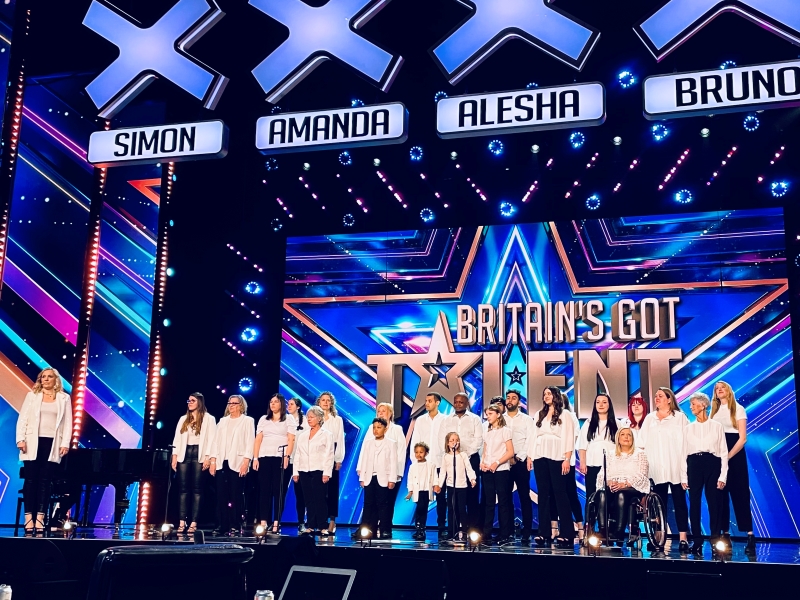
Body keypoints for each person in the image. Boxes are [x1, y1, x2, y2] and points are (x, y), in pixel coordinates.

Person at [16, 368, 72, 535]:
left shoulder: (64, 398)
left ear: (56, 379)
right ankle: (28, 518)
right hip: (32, 442)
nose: (46, 379)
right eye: (43, 377)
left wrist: (65, 443)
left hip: (52, 443)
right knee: (31, 480)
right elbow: (23, 418)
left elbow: (67, 423)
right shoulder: (32, 396)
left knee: (45, 481)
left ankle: (40, 517)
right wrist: (20, 439)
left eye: (49, 377)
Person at [639, 387, 690, 552]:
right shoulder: (649, 419)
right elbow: (641, 444)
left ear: (669, 399)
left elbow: (688, 442)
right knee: (657, 505)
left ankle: (683, 538)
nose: (657, 398)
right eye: (655, 396)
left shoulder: (680, 418)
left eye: (660, 396)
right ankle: (659, 539)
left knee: (680, 503)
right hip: (655, 468)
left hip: (675, 467)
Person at [526, 386, 576, 548]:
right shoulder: (538, 415)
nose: (546, 396)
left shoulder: (565, 414)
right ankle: (543, 531)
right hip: (540, 457)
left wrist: (567, 458)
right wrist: (530, 456)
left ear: (556, 396)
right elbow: (533, 437)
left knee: (560, 494)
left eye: (549, 393)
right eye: (544, 393)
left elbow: (568, 437)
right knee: (543, 494)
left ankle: (567, 532)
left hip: (558, 457)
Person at [710, 381, 755, 553]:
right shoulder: (713, 412)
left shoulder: (738, 408)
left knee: (740, 494)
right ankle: (725, 534)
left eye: (722, 387)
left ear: (729, 390)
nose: (719, 390)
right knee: (720, 496)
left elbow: (742, 438)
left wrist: (727, 457)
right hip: (718, 453)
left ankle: (750, 535)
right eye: (716, 388)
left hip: (734, 454)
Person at [683, 392, 728, 555]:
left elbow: (723, 452)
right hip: (694, 464)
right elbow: (683, 453)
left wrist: (723, 475)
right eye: (691, 404)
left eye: (694, 404)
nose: (691, 407)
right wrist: (683, 476)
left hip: (712, 463)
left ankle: (715, 538)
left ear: (703, 405)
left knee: (714, 502)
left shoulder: (716, 426)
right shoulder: (688, 428)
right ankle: (697, 540)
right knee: (694, 503)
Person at [594, 428, 650, 544]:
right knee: (602, 494)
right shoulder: (610, 454)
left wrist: (624, 484)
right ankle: (603, 530)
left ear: (632, 439)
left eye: (629, 435)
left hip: (632, 488)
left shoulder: (640, 454)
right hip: (613, 486)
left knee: (621, 494)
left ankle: (619, 532)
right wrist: (609, 482)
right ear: (618, 438)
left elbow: (642, 474)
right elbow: (602, 473)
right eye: (623, 435)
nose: (626, 437)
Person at [171, 392, 216, 535]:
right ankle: (182, 521)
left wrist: (209, 457)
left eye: (192, 400)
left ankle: (194, 522)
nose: (189, 402)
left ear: (199, 402)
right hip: (184, 454)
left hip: (199, 454)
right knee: (183, 489)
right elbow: (177, 439)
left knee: (197, 489)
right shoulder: (183, 419)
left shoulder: (209, 419)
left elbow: (212, 439)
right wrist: (174, 456)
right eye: (188, 400)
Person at [210, 394, 254, 535]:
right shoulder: (222, 421)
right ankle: (221, 525)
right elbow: (215, 442)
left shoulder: (247, 421)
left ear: (241, 405)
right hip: (222, 461)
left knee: (236, 494)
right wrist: (213, 460)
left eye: (234, 403)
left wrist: (246, 461)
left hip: (238, 461)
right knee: (221, 495)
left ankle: (235, 524)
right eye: (230, 403)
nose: (231, 405)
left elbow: (250, 441)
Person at [253, 393, 295, 534]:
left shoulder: (288, 419)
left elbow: (291, 439)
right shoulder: (263, 419)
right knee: (264, 490)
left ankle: (276, 523)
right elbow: (258, 439)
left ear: (281, 404)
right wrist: (255, 458)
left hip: (279, 457)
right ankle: (264, 522)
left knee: (278, 491)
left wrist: (287, 456)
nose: (273, 404)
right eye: (271, 402)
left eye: (276, 402)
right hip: (264, 457)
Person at [441, 392, 483, 528]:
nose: (458, 404)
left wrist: (464, 454)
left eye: (461, 402)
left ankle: (472, 529)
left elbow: (478, 439)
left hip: (471, 459)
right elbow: (442, 438)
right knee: (453, 497)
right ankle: (453, 528)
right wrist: (454, 454)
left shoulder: (475, 419)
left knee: (471, 496)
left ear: (467, 403)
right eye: (456, 402)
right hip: (452, 460)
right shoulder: (447, 420)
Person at [409, 393, 447, 538]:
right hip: (423, 465)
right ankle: (420, 528)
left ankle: (442, 527)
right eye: (426, 401)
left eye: (430, 401)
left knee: (441, 498)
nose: (427, 403)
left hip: (439, 464)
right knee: (422, 499)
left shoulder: (445, 420)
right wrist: (415, 462)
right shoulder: (420, 420)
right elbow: (415, 441)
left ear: (437, 402)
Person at [293, 406, 335, 536]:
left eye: (311, 417)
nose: (309, 419)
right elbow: (298, 454)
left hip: (319, 471)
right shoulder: (303, 435)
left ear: (319, 418)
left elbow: (329, 454)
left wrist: (327, 472)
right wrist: (295, 472)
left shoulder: (327, 434)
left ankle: (323, 526)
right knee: (308, 499)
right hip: (304, 470)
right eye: (308, 417)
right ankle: (311, 525)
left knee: (320, 499)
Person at [578, 393, 627, 503]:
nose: (601, 405)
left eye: (604, 402)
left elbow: (622, 446)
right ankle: (590, 519)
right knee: (592, 494)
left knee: (611, 494)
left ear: (609, 405)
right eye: (598, 402)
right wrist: (582, 463)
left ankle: (609, 519)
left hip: (612, 464)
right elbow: (582, 445)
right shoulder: (589, 423)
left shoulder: (617, 423)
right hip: (592, 463)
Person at [356, 418, 398, 539]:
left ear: (386, 428)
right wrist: (362, 478)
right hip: (369, 477)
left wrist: (392, 479)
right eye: (374, 427)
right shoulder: (368, 443)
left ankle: (385, 529)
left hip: (383, 478)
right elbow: (364, 460)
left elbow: (393, 462)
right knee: (368, 504)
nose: (376, 430)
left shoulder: (391, 443)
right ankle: (365, 529)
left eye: (379, 427)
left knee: (382, 505)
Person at [504, 389, 535, 543]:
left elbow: (530, 440)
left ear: (519, 401)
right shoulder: (500, 419)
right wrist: (507, 457)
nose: (510, 400)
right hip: (503, 464)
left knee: (524, 496)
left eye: (513, 398)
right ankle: (508, 531)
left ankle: (527, 530)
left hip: (521, 463)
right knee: (505, 497)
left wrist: (518, 457)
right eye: (508, 398)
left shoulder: (527, 419)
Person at [481, 403, 514, 545]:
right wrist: (482, 463)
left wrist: (497, 462)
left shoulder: (505, 431)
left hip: (501, 470)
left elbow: (510, 452)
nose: (487, 417)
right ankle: (486, 532)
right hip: (487, 470)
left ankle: (504, 533)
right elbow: (485, 450)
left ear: (498, 414)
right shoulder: (487, 432)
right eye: (487, 414)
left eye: (490, 414)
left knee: (503, 501)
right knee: (489, 502)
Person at [434, 432, 476, 540]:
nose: (454, 442)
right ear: (447, 443)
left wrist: (472, 478)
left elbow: (468, 468)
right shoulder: (446, 457)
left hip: (462, 486)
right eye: (452, 440)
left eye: (456, 440)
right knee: (451, 509)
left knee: (462, 509)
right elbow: (443, 472)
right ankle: (451, 532)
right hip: (450, 486)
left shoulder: (463, 455)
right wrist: (439, 484)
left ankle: (465, 532)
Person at [316, 392, 345, 535]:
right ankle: (318, 521)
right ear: (319, 402)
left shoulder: (337, 420)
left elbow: (340, 439)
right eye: (323, 400)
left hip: (332, 456)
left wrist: (338, 458)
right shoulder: (315, 419)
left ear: (331, 403)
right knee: (319, 492)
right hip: (317, 457)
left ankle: (332, 521)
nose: (326, 402)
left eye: (328, 400)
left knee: (332, 491)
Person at [557, 391, 583, 542]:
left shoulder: (570, 416)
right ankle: (557, 528)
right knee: (555, 495)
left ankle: (580, 527)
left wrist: (566, 457)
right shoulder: (549, 416)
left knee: (571, 493)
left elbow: (574, 438)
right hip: (553, 461)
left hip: (567, 461)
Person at [405, 442, 436, 540]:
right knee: (419, 510)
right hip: (417, 492)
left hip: (426, 491)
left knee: (422, 510)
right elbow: (410, 480)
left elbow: (435, 477)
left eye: (421, 452)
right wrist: (410, 492)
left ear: (426, 453)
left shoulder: (431, 465)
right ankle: (419, 529)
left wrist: (436, 485)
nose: (419, 454)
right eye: (416, 452)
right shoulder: (412, 466)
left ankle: (421, 529)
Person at [286, 398, 307, 532]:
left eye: (291, 404)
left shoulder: (305, 421)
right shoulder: (285, 419)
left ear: (298, 407)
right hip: (287, 459)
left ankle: (301, 522)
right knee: (280, 491)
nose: (289, 406)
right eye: (288, 404)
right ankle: (275, 521)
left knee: (301, 493)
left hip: (300, 461)